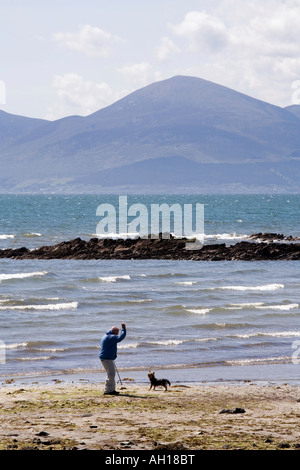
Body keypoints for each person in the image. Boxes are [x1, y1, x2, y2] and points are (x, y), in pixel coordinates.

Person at [99, 323, 126, 395]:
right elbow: (120, 338)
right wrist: (124, 329)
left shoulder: (106, 336)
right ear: (114, 332)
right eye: (117, 332)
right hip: (106, 358)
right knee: (111, 374)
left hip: (106, 357)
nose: (117, 334)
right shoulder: (111, 337)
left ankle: (111, 390)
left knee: (111, 374)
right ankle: (107, 391)